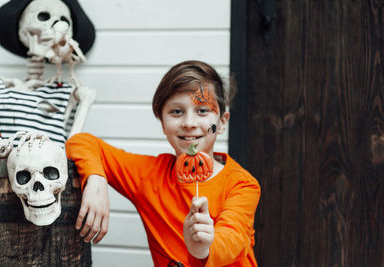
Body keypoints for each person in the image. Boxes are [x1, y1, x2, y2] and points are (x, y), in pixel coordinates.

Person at [65, 60, 261, 266]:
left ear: (221, 122)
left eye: (202, 111)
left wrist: (203, 247)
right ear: (162, 123)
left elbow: (233, 238)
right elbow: (80, 141)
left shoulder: (242, 184)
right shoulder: (149, 175)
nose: (189, 123)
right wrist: (95, 180)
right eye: (176, 112)